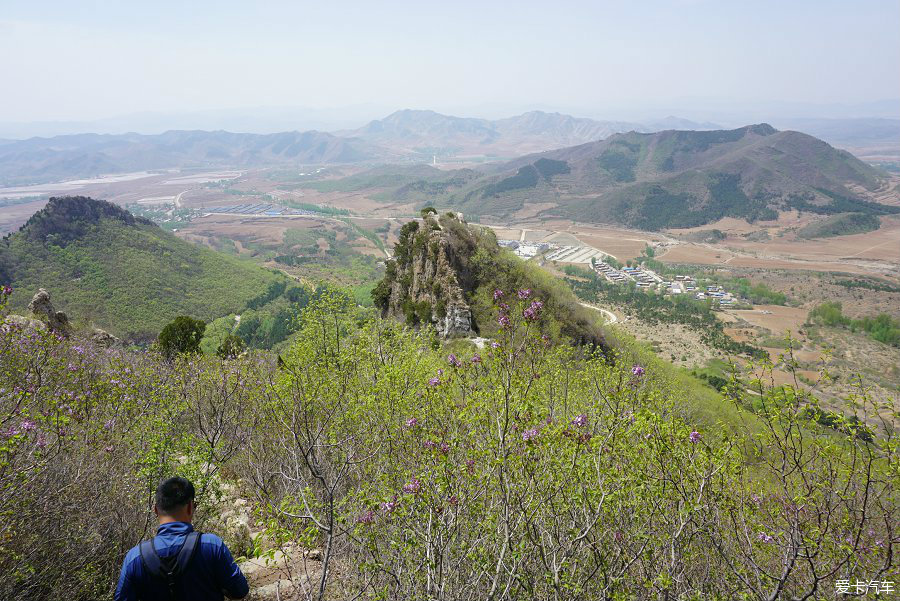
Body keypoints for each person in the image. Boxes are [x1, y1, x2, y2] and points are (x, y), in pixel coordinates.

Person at [115, 477, 249, 601]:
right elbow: (239, 591)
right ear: (190, 507)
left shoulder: (134, 557)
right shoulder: (211, 545)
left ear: (155, 510)